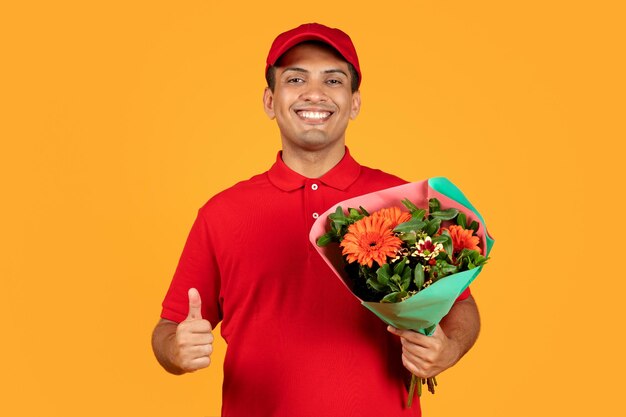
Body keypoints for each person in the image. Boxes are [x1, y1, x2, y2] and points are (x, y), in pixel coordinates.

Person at [151, 23, 480, 417]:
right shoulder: (221, 213)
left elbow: (463, 307)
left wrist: (449, 348)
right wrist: (175, 349)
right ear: (270, 101)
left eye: (333, 79)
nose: (315, 93)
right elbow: (168, 329)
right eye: (295, 78)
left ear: (354, 102)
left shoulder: (405, 204)